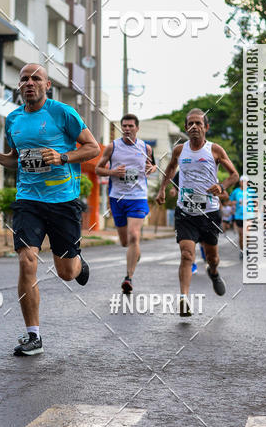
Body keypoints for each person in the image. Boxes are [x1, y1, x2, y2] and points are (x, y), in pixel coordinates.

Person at [0, 63, 100, 356]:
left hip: (63, 201)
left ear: (48, 85)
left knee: (67, 273)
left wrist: (62, 157)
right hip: (28, 200)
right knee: (27, 261)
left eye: (36, 78)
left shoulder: (63, 113)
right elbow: (17, 159)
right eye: (24, 79)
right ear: (19, 86)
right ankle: (33, 336)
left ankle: (78, 263)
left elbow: (93, 148)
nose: (29, 82)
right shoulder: (13, 119)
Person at [156, 109, 239, 316]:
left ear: (206, 127)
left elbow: (234, 175)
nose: (194, 127)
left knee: (212, 257)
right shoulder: (179, 150)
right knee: (187, 254)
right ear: (186, 128)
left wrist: (221, 186)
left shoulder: (215, 150)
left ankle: (214, 272)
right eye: (190, 124)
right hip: (185, 212)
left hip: (209, 213)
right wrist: (163, 189)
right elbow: (171, 168)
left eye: (198, 123)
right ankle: (183, 298)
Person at [95, 113, 156, 294]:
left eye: (130, 126)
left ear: (137, 128)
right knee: (125, 242)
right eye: (124, 126)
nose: (127, 129)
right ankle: (135, 252)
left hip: (138, 197)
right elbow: (98, 169)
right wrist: (113, 173)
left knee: (134, 236)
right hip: (117, 198)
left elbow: (152, 166)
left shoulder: (146, 147)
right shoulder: (112, 147)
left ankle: (128, 278)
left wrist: (152, 168)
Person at [230, 176, 255, 259]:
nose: (244, 183)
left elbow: (256, 202)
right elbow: (229, 202)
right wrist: (233, 203)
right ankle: (242, 250)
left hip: (249, 216)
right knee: (241, 235)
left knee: (247, 233)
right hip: (239, 216)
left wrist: (257, 213)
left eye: (245, 181)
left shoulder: (251, 191)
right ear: (240, 182)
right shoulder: (236, 191)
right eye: (242, 181)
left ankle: (247, 249)